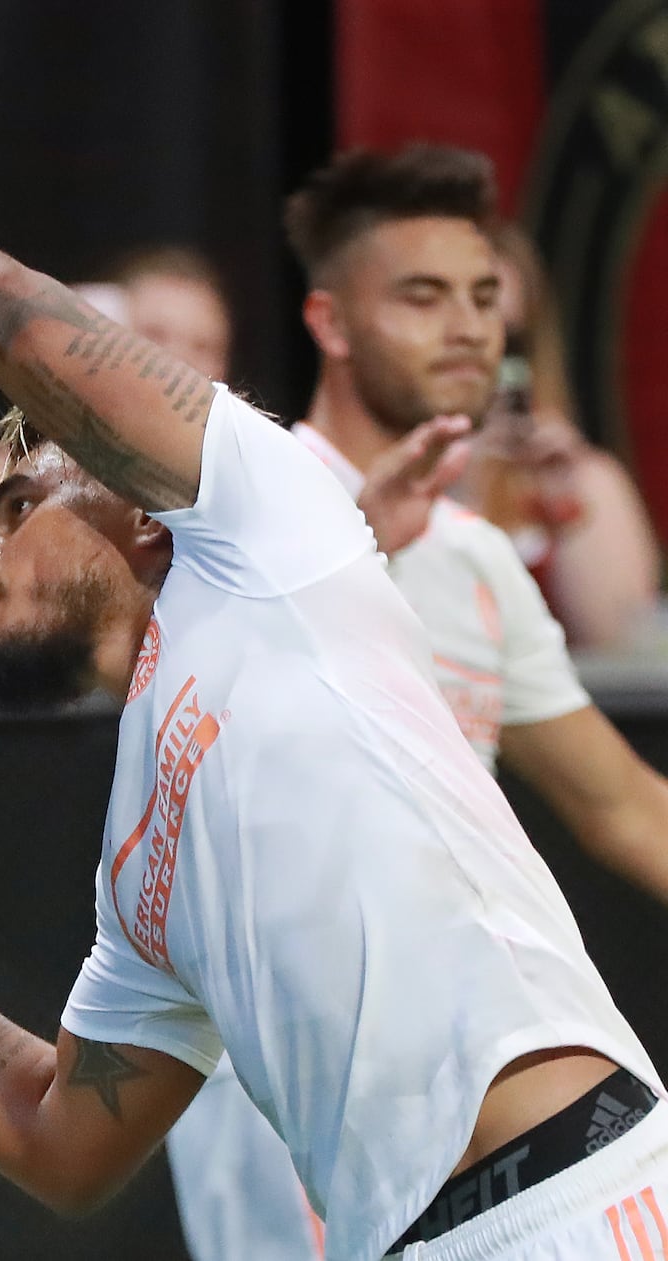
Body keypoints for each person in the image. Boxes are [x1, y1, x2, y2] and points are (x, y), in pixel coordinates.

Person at [0, 152, 667, 1260]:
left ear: (141, 512)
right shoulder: (138, 865)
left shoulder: (262, 541)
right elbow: (60, 1142)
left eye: (17, 504)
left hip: (569, 1193)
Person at [163, 142, 668, 1261]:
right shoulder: (237, 512)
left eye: (485, 297)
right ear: (330, 321)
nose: (466, 328)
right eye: (422, 296)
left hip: (464, 1097)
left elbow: (621, 802)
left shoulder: (479, 557)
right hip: (283, 1086)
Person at [0, 253, 232, 674]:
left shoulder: (238, 492)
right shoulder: (14, 469)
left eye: (204, 346)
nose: (180, 360)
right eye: (155, 334)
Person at [449, 221, 662, 653]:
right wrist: (455, 488)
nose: (490, 366)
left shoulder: (580, 479)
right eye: (468, 341)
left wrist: (567, 506)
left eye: (510, 344)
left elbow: (619, 649)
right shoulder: (364, 474)